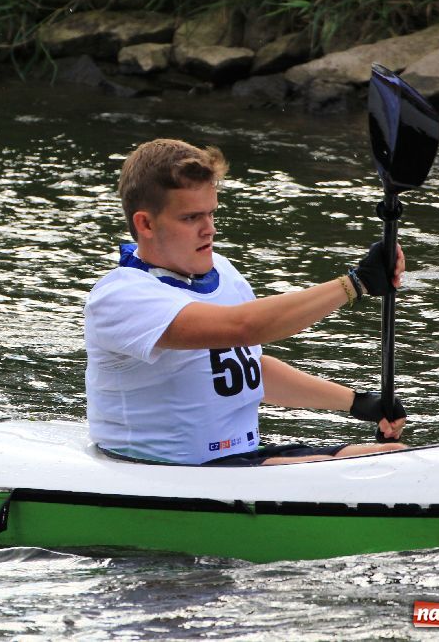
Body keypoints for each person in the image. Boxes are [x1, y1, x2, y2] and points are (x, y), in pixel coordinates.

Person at [84, 139, 408, 466]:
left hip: (240, 460)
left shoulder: (224, 272)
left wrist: (357, 402)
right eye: (191, 217)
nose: (208, 229)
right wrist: (354, 284)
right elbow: (244, 328)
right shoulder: (120, 297)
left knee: (394, 455)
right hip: (168, 472)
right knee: (387, 468)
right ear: (146, 224)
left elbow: (249, 370)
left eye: (211, 213)